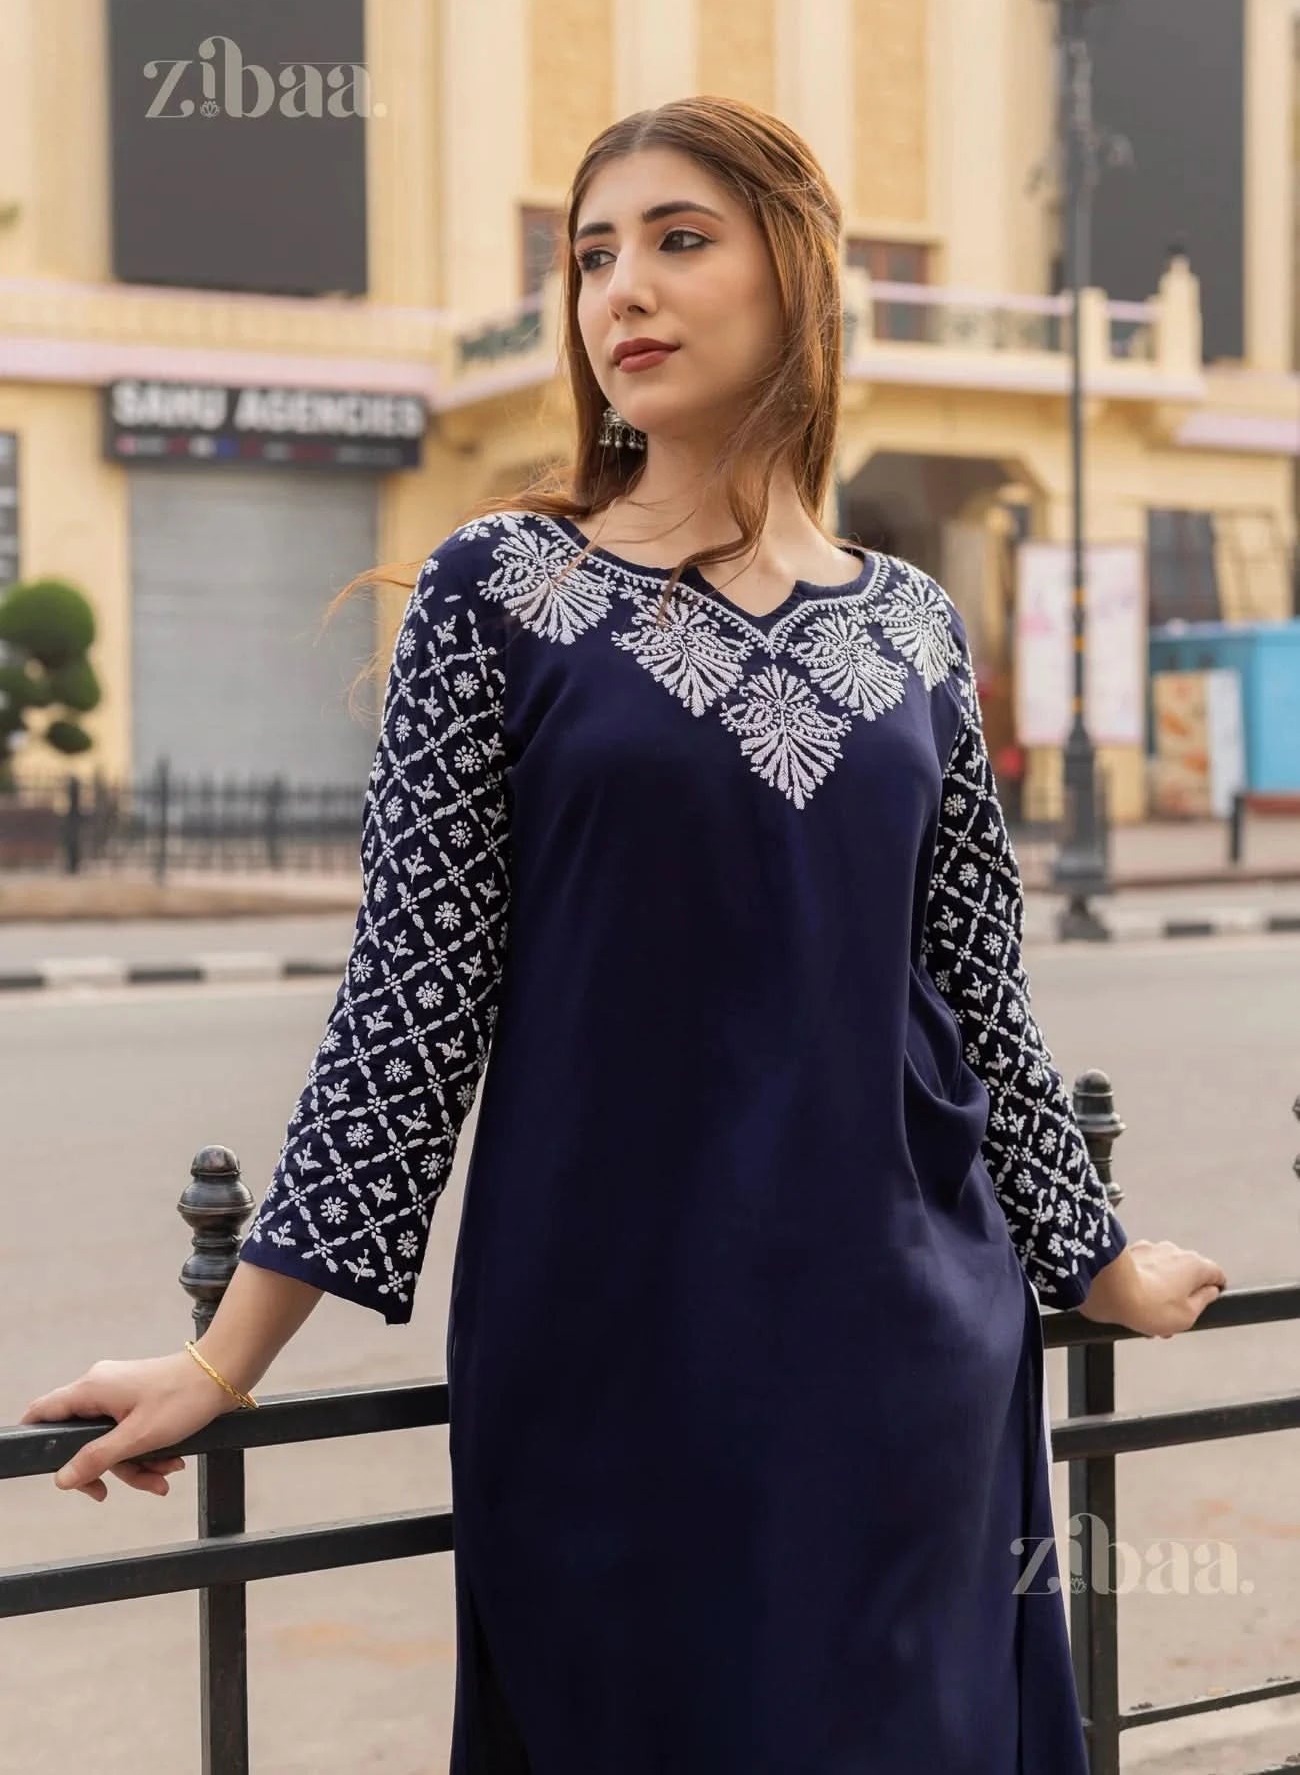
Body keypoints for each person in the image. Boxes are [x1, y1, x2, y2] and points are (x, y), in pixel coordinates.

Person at [23, 96, 1227, 1773]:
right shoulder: (499, 592)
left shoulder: (913, 626)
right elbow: (410, 1001)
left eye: (678, 239)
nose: (619, 294)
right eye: (592, 254)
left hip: (902, 1368)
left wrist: (1091, 1253)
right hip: (612, 1365)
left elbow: (975, 988)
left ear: (795, 277)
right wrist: (228, 1358)